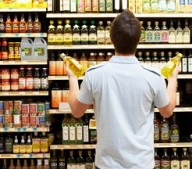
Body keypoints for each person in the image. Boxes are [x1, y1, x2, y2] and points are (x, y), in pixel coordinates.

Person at [66, 9, 178, 169]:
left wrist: (72, 78)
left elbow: (77, 112)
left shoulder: (95, 75)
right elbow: (167, 112)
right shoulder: (153, 76)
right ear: (138, 40)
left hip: (106, 164)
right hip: (142, 164)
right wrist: (173, 79)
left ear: (111, 38)